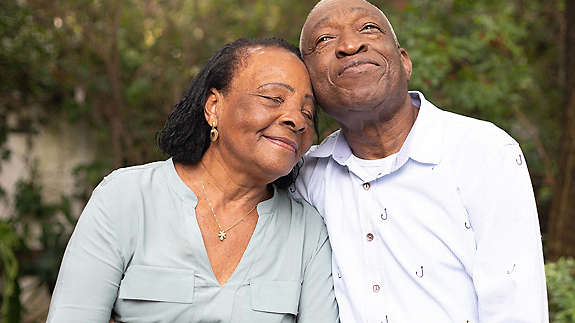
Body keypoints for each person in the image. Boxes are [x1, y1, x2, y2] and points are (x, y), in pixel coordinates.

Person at [47, 37, 339, 323]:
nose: (297, 120)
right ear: (214, 106)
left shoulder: (307, 232)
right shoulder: (126, 198)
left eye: (307, 112)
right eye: (273, 98)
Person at [294, 0, 549, 322]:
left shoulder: (482, 152)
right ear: (309, 85)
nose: (349, 44)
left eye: (368, 29)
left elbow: (515, 306)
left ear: (404, 63)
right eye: (325, 40)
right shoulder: (305, 177)